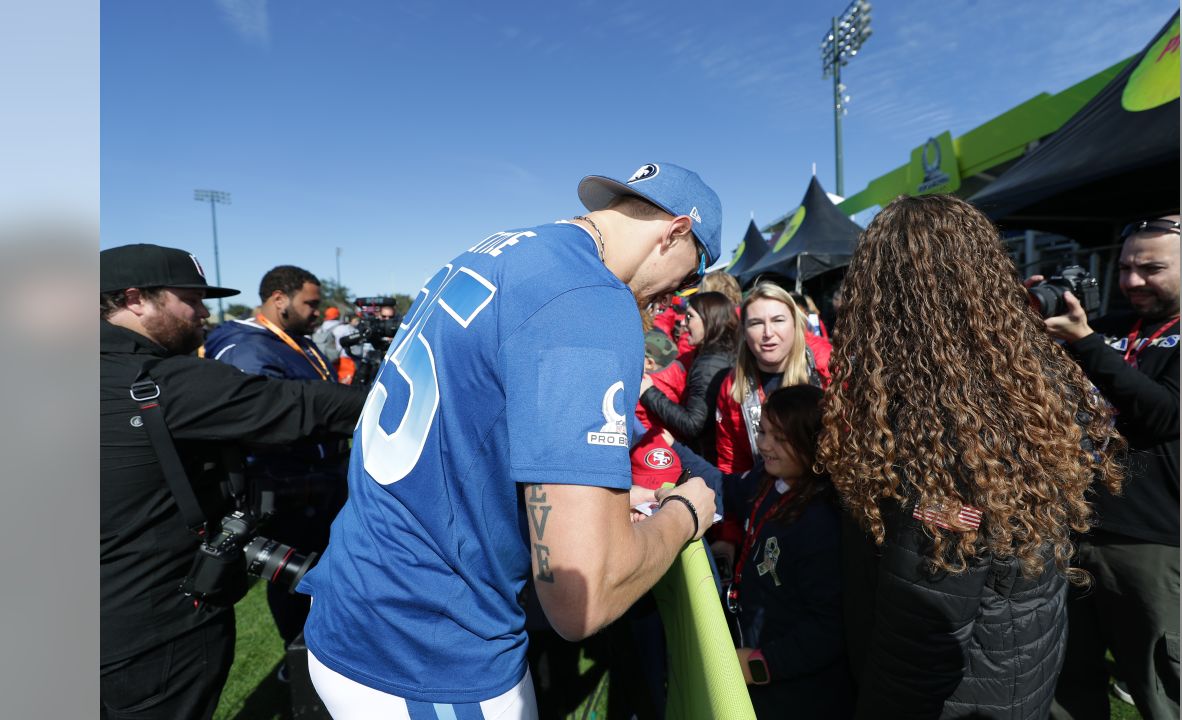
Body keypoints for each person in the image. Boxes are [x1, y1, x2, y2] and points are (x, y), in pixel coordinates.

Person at [298, 162, 722, 718]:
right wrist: (686, 511)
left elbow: (477, 439)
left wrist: (601, 509)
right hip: (429, 648)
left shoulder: (500, 250)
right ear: (676, 232)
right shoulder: (590, 295)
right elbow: (583, 598)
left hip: (362, 602)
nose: (675, 296)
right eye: (690, 277)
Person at [815, 195, 1126, 719]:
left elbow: (923, 636)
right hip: (1016, 664)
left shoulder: (941, 431)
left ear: (883, 298)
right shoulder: (1026, 379)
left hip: (962, 695)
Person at [100, 244, 366, 720]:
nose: (204, 312)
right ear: (136, 299)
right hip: (155, 627)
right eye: (191, 299)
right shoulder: (162, 382)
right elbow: (308, 407)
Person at [1045, 215, 1181, 720]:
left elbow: (1163, 413)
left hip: (1152, 542)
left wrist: (1085, 342)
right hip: (1075, 529)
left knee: (1163, 689)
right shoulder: (1114, 329)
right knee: (1067, 685)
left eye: (1152, 268)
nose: (1132, 281)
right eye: (1124, 267)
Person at [676, 385, 852, 719]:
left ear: (813, 441)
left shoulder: (821, 523)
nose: (764, 445)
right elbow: (726, 488)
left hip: (797, 693)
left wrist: (759, 665)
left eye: (780, 438)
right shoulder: (768, 479)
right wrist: (671, 448)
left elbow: (828, 629)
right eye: (762, 431)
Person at [203, 265, 347, 672]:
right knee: (294, 577)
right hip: (286, 485)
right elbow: (263, 422)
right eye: (311, 303)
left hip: (319, 478)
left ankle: (327, 649)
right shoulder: (248, 347)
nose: (318, 312)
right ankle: (298, 657)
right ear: (279, 300)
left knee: (324, 570)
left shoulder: (295, 339)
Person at [714, 282, 829, 474]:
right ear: (744, 331)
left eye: (778, 320)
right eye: (756, 323)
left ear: (795, 324)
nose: (768, 333)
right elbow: (732, 464)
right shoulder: (733, 386)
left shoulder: (826, 366)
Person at [640, 291, 738, 459]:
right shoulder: (722, 353)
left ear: (709, 320)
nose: (684, 324)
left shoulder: (709, 364)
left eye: (690, 317)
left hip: (708, 456)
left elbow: (692, 425)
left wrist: (649, 393)